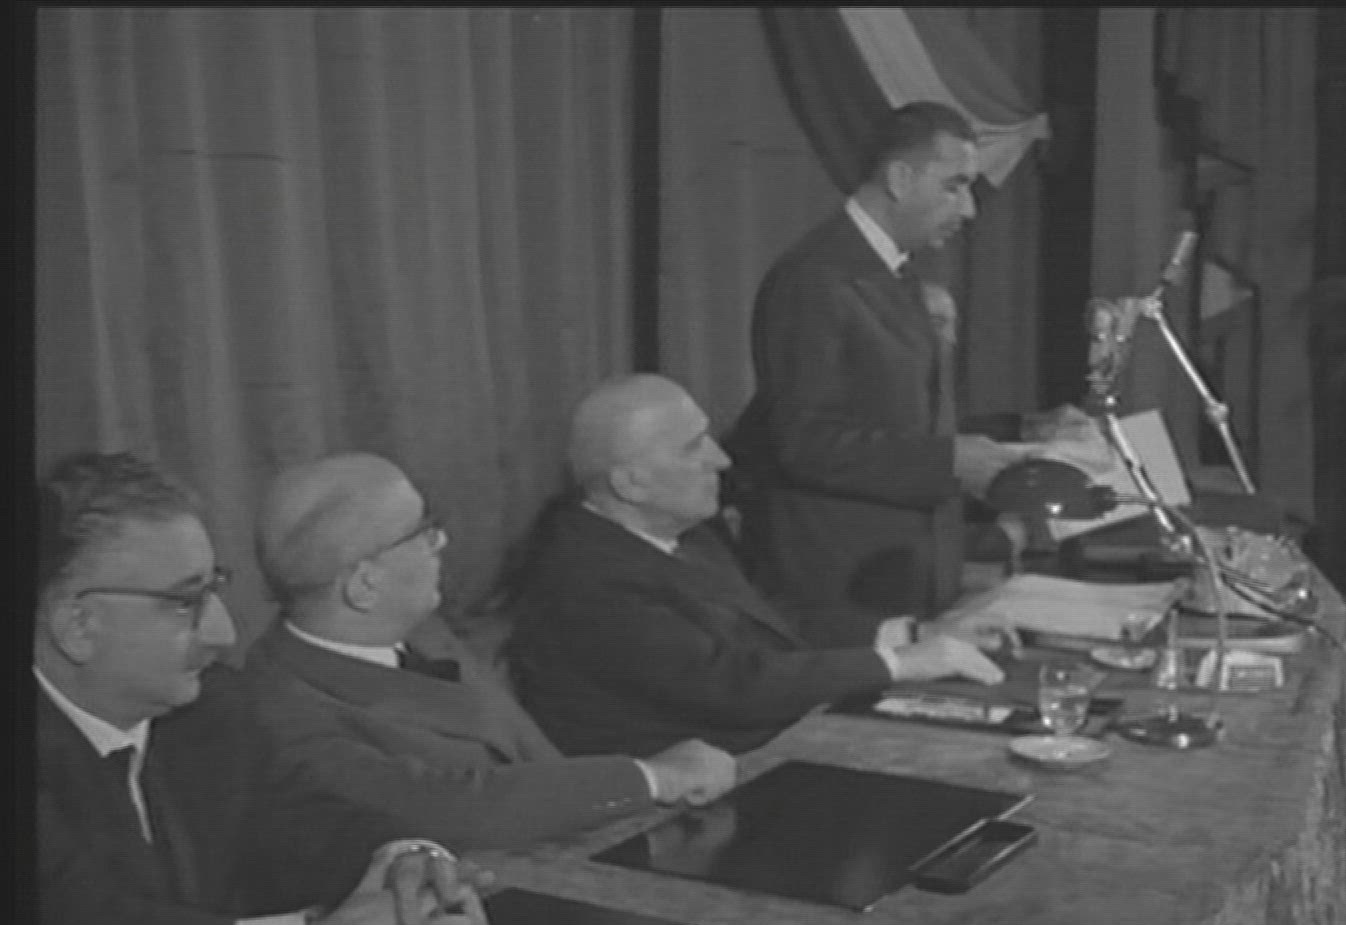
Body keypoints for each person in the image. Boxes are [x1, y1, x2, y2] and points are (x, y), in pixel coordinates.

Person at [35, 452, 493, 925]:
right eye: (184, 602)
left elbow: (307, 822)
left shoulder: (213, 707)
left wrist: (406, 860)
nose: (221, 633)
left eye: (213, 589)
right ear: (76, 624)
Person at [242, 452, 736, 856]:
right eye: (422, 532)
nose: (442, 542)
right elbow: (452, 806)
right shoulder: (279, 712)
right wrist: (653, 777)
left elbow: (526, 753)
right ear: (365, 585)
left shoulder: (421, 628)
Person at [726, 100, 1091, 645]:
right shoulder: (816, 278)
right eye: (954, 186)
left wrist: (1021, 430)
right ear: (899, 178)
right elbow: (804, 443)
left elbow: (899, 417)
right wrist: (950, 461)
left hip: (903, 576)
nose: (969, 208)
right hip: (844, 589)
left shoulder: (892, 273)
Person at [505, 374, 1017, 758]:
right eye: (692, 448)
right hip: (683, 799)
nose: (721, 459)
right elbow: (731, 686)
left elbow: (769, 622)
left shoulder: (684, 533)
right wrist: (900, 664)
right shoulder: (585, 579)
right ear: (630, 483)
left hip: (768, 748)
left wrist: (909, 634)